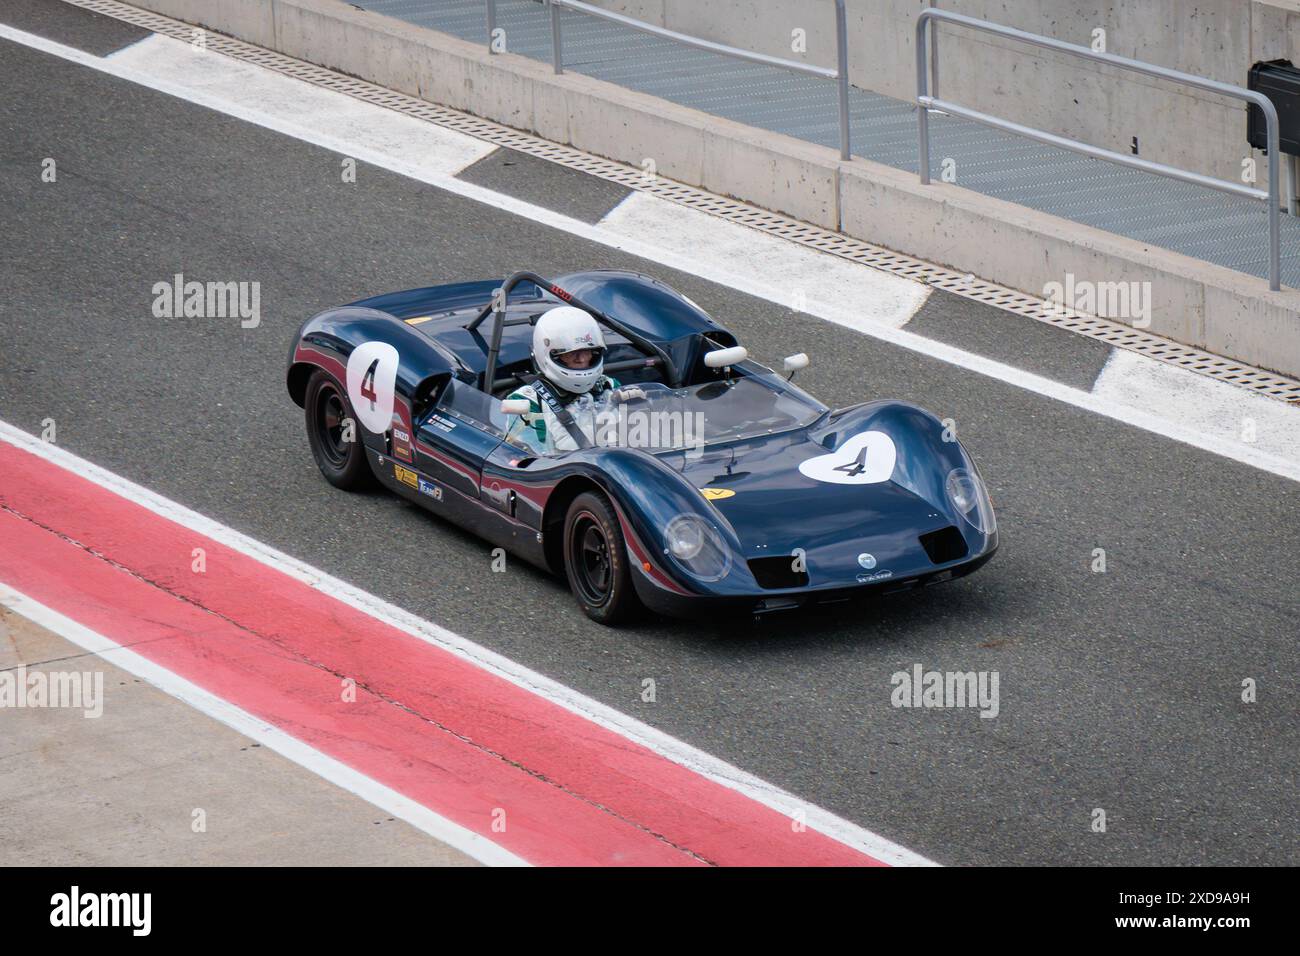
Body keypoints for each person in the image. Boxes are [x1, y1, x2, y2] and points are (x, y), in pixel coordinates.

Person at [505, 306, 633, 454]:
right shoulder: (521, 401)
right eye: (572, 353)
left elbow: (640, 435)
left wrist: (641, 405)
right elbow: (527, 459)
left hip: (618, 465)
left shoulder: (609, 385)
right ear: (549, 354)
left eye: (587, 351)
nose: (582, 359)